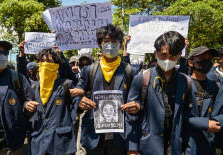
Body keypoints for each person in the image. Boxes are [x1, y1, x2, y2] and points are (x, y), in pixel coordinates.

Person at [76, 24, 139, 155]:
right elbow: (78, 93)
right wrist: (80, 103)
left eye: (114, 42)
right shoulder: (89, 70)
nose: (110, 45)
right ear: (100, 45)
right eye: (106, 41)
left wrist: (137, 105)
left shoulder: (130, 71)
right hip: (94, 138)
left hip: (120, 139)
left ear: (120, 45)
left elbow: (138, 100)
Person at [127, 31, 190, 155]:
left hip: (174, 146)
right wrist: (132, 147)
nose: (168, 60)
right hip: (148, 145)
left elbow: (187, 114)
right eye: (163, 55)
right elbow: (130, 116)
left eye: (173, 56)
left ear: (179, 55)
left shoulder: (185, 81)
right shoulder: (142, 79)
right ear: (156, 53)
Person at [25, 48, 78, 155]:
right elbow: (26, 112)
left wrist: (81, 103)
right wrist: (26, 106)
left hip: (61, 144)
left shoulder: (66, 84)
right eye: (42, 61)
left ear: (56, 65)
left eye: (49, 61)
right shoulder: (33, 88)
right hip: (39, 143)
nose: (45, 64)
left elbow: (77, 105)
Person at [0, 39, 35, 155]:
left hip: (10, 147)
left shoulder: (17, 78)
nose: (2, 55)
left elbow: (30, 103)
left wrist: (27, 105)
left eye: (5, 53)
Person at [184, 46, 221, 155]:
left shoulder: (215, 85)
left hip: (208, 144)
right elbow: (179, 115)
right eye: (202, 58)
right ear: (191, 63)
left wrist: (218, 122)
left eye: (210, 59)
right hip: (188, 143)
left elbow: (220, 110)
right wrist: (205, 124)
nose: (208, 61)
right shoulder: (183, 84)